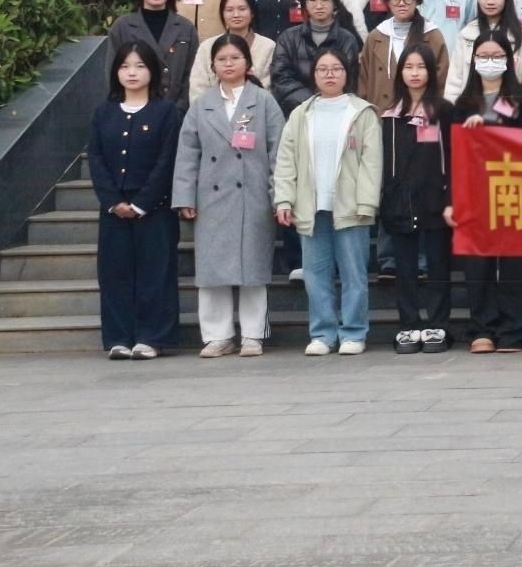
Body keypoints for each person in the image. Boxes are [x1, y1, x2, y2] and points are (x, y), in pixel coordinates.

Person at [173, 34, 285, 358]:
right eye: (221, 59)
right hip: (211, 198)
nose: (228, 64)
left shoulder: (264, 102)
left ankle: (253, 334)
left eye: (235, 58)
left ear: (248, 63)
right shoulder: (201, 105)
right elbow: (187, 154)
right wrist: (185, 196)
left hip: (253, 196)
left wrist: (279, 195)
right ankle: (217, 335)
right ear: (212, 66)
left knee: (253, 270)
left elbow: (279, 151)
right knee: (212, 273)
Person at [272, 45, 382, 355]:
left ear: (347, 74)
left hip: (351, 206)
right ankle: (322, 333)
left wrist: (367, 203)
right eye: (323, 69)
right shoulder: (300, 114)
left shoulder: (362, 113)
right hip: (310, 205)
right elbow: (286, 161)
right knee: (316, 274)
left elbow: (371, 163)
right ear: (314, 75)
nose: (329, 74)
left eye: (336, 69)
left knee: (353, 274)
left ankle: (353, 332)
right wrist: (284, 200)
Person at [90, 42, 182, 361]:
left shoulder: (166, 112)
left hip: (154, 208)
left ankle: (152, 337)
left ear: (152, 71)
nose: (132, 72)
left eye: (140, 66)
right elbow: (96, 158)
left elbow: (167, 160)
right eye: (125, 66)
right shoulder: (104, 112)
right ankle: (118, 337)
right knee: (114, 273)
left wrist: (143, 202)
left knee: (156, 272)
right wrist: (112, 200)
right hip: (113, 209)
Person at [451, 34, 522, 353]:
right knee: (478, 263)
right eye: (483, 55)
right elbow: (455, 154)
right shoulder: (463, 103)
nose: (490, 61)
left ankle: (514, 330)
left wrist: (491, 125)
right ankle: (483, 328)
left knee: (515, 261)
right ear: (473, 60)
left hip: (513, 187)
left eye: (497, 55)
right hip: (476, 192)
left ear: (509, 60)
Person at [379, 45, 455, 355]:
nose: (414, 73)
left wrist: (450, 197)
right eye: (408, 67)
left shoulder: (443, 111)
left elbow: (453, 156)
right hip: (400, 201)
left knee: (437, 266)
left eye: (421, 66)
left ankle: (438, 324)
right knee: (405, 268)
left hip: (435, 200)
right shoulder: (390, 114)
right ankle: (409, 324)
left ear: (431, 72)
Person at [106, 0, 199, 105]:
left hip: (176, 110)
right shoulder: (122, 26)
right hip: (133, 108)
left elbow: (192, 74)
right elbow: (112, 73)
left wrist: (179, 109)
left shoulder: (185, 28)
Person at [439, 0, 522, 102]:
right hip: (471, 109)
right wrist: (452, 111)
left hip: (512, 108)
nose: (490, 2)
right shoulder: (466, 34)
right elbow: (454, 82)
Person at [270, 0, 364, 114]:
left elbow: (350, 80)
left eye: (325, 0)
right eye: (313, 0)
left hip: (336, 110)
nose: (319, 6)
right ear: (305, 4)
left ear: (335, 4)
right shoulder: (288, 38)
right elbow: (280, 78)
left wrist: (327, 102)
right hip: (296, 110)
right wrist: (311, 101)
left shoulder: (347, 39)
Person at [359, 0, 448, 114]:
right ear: (387, 1)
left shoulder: (432, 35)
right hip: (380, 114)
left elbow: (442, 80)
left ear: (417, 0)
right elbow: (363, 80)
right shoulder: (376, 36)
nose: (401, 3)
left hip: (421, 115)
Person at [187, 0, 276, 97]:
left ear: (252, 13)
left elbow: (268, 90)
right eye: (229, 10)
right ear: (222, 14)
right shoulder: (207, 47)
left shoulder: (268, 47)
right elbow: (197, 89)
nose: (236, 15)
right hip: (212, 107)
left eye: (242, 9)